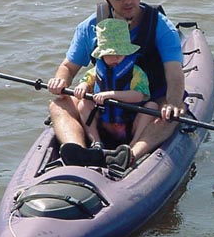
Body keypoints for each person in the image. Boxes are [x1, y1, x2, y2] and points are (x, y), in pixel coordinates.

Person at [47, 0, 185, 168]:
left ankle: (130, 155)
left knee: (171, 114)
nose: (128, 1)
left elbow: (174, 73)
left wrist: (174, 103)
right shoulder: (89, 27)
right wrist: (60, 81)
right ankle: (79, 150)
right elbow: (68, 67)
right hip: (104, 105)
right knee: (58, 105)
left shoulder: (160, 26)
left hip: (149, 103)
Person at [63, 18, 157, 167]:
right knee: (83, 104)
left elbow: (139, 95)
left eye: (120, 53)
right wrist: (82, 86)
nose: (116, 57)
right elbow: (86, 80)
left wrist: (111, 94)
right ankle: (96, 143)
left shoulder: (136, 72)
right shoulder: (97, 71)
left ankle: (131, 148)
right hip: (105, 124)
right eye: (110, 54)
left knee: (152, 107)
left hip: (129, 123)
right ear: (101, 55)